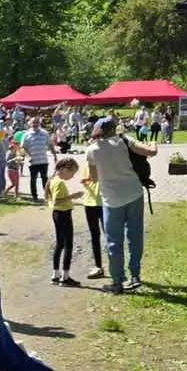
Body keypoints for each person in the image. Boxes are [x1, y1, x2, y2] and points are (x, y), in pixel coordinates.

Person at [85, 117, 157, 293]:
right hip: (134, 193)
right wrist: (154, 143)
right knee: (135, 235)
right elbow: (150, 152)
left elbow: (94, 178)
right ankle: (135, 276)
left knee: (113, 241)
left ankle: (117, 281)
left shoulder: (92, 150)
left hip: (112, 199)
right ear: (114, 129)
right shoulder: (124, 141)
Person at [45, 156, 82, 286]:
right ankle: (65, 277)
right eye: (72, 173)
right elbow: (57, 200)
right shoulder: (59, 182)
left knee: (60, 244)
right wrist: (73, 196)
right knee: (68, 245)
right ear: (65, 169)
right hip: (63, 214)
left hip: (57, 214)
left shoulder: (53, 180)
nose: (72, 177)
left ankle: (55, 274)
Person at [79, 158, 105, 279]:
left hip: (105, 203)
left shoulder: (107, 163)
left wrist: (88, 179)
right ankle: (98, 267)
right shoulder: (87, 165)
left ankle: (116, 268)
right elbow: (84, 180)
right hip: (89, 202)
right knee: (95, 236)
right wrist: (85, 179)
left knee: (110, 236)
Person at [21, 116, 52, 202]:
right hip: (33, 161)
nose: (35, 124)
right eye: (33, 122)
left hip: (43, 160)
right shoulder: (26, 135)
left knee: (45, 179)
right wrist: (28, 156)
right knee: (33, 179)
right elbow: (23, 147)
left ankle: (47, 195)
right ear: (30, 124)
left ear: (39, 123)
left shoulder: (45, 133)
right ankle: (34, 196)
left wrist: (55, 155)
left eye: (36, 122)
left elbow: (50, 144)